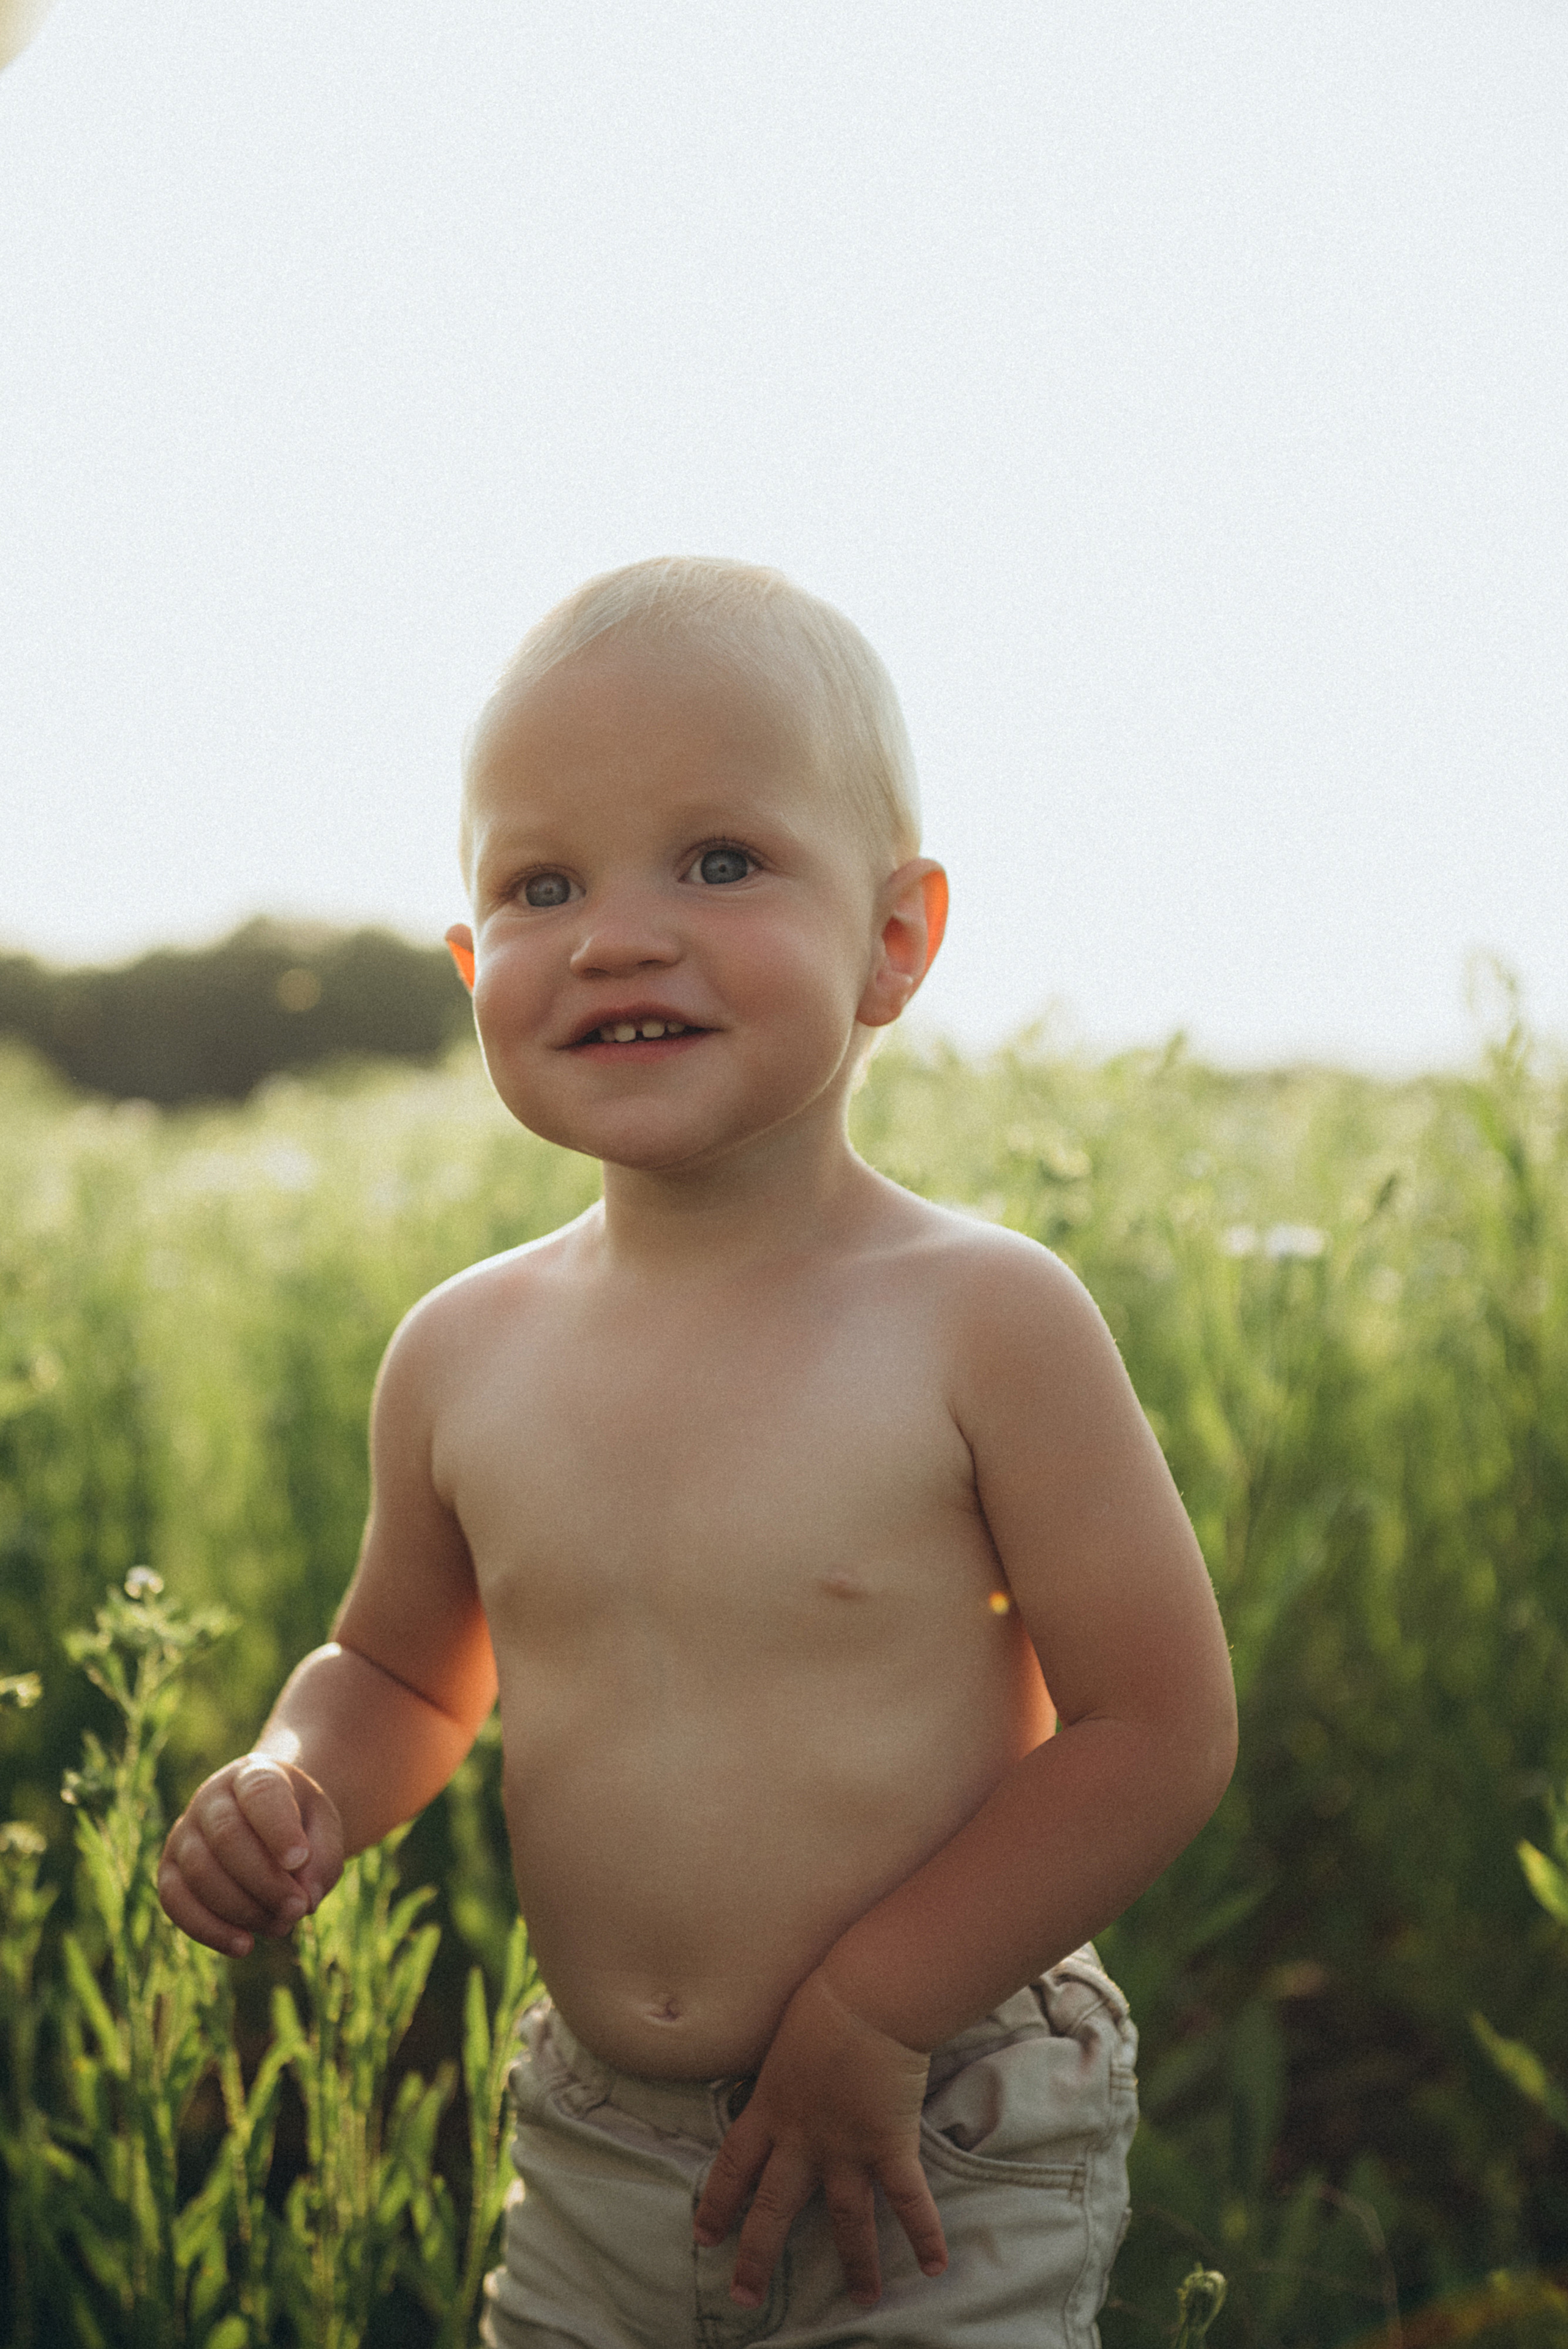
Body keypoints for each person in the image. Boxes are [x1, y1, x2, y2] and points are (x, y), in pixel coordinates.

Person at [159, 556, 1237, 2347]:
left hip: (935, 2126)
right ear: (469, 960)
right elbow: (398, 1671)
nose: (617, 933)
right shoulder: (462, 1350)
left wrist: (878, 2010)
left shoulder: (984, 1318)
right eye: (541, 883)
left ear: (896, 936)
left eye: (719, 860)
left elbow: (1155, 1726)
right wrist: (300, 1777)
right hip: (597, 2137)